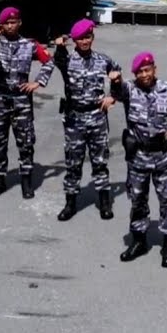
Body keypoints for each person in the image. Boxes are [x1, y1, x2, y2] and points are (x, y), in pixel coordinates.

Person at [113, 52, 167, 267]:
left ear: (154, 69)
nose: (144, 74)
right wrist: (116, 80)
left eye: (147, 70)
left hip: (162, 156)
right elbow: (118, 92)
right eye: (140, 72)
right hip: (138, 156)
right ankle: (139, 241)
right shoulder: (130, 89)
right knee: (138, 200)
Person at [53, 18, 122, 221]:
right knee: (73, 162)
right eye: (81, 38)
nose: (85, 41)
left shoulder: (103, 60)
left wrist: (114, 95)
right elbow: (57, 59)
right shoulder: (67, 60)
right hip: (75, 118)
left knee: (100, 161)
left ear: (93, 37)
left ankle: (104, 202)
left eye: (88, 37)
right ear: (75, 40)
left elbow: (117, 76)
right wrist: (59, 45)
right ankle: (70, 203)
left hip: (97, 117)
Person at [0, 7, 55, 200]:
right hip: (0, 99)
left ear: (19, 23)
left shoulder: (29, 45)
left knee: (25, 143)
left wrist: (38, 82)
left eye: (13, 22)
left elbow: (48, 61)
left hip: (21, 101)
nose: (10, 26)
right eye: (6, 23)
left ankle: (26, 181)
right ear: (1, 25)